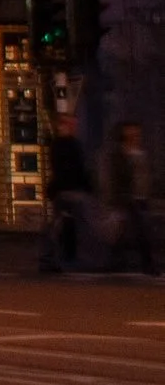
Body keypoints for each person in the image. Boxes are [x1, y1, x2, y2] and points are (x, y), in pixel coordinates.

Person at [40, 111, 97, 272]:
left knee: (68, 224)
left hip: (69, 190)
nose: (73, 127)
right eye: (69, 124)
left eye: (73, 124)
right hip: (66, 191)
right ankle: (55, 257)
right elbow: (67, 169)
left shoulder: (71, 144)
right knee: (62, 224)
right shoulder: (61, 145)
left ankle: (65, 257)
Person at [103, 119, 156, 275]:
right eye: (130, 132)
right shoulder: (120, 154)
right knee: (124, 232)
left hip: (139, 199)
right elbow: (115, 178)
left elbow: (146, 177)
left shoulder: (141, 154)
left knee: (139, 232)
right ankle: (120, 263)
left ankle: (138, 264)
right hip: (126, 199)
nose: (134, 135)